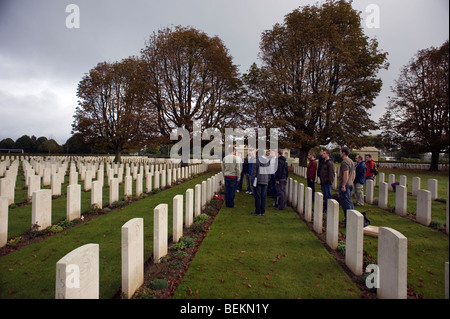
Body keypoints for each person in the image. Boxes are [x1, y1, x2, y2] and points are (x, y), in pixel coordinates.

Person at [250, 149, 270, 216]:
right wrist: (268, 179)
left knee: (258, 197)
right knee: (263, 197)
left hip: (258, 180)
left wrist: (252, 181)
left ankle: (258, 211)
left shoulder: (256, 160)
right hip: (265, 180)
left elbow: (254, 172)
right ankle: (262, 211)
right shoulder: (267, 160)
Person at [338, 147, 355, 225]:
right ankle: (352, 218)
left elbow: (346, 174)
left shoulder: (345, 162)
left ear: (343, 153)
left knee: (346, 203)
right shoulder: (351, 161)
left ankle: (348, 220)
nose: (339, 153)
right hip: (350, 184)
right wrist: (351, 181)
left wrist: (343, 185)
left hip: (346, 185)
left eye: (340, 152)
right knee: (350, 202)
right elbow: (354, 173)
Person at [319, 148, 335, 213]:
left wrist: (330, 182)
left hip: (327, 182)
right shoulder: (324, 162)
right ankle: (325, 208)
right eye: (323, 153)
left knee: (328, 195)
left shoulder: (330, 163)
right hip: (323, 181)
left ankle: (328, 208)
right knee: (325, 196)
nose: (323, 154)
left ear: (328, 154)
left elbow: (331, 173)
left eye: (324, 153)